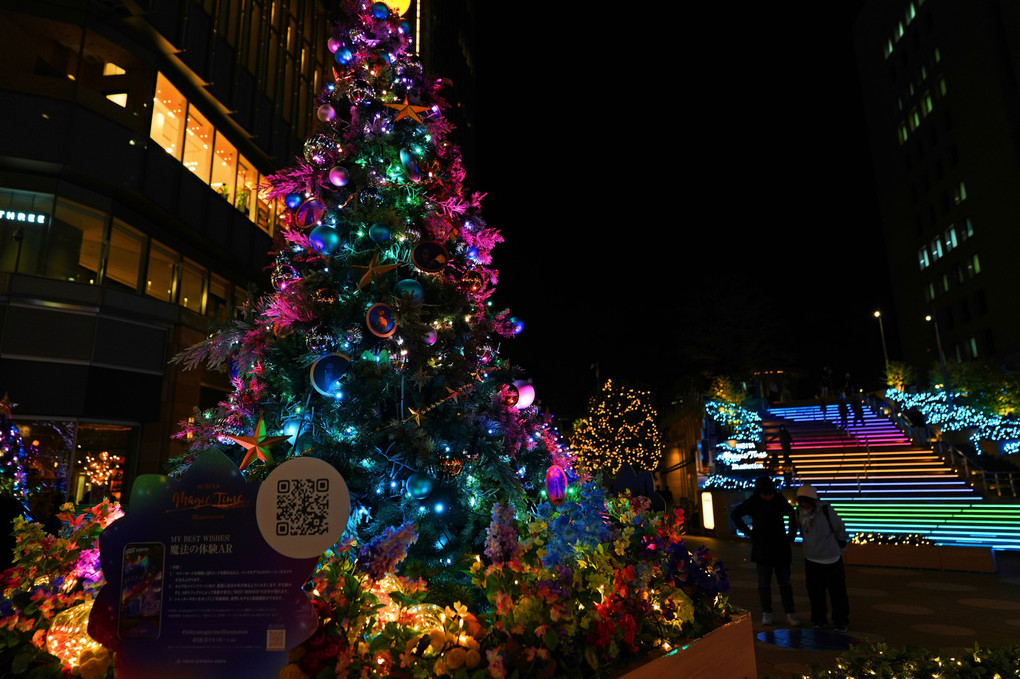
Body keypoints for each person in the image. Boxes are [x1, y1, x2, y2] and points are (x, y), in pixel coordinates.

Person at [730, 476, 801, 627]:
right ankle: (768, 612)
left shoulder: (775, 499)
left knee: (783, 583)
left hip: (777, 548)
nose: (768, 497)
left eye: (770, 494)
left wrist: (791, 535)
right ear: (759, 492)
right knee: (766, 583)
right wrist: (750, 533)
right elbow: (735, 514)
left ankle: (788, 612)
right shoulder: (757, 501)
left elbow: (792, 515)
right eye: (765, 494)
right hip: (766, 548)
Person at [795, 484, 850, 631]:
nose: (804, 504)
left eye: (807, 501)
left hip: (831, 558)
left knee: (837, 593)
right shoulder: (798, 513)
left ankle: (841, 621)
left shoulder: (825, 510)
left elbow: (839, 529)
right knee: (815, 593)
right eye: (801, 501)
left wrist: (842, 545)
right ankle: (819, 620)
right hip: (812, 559)